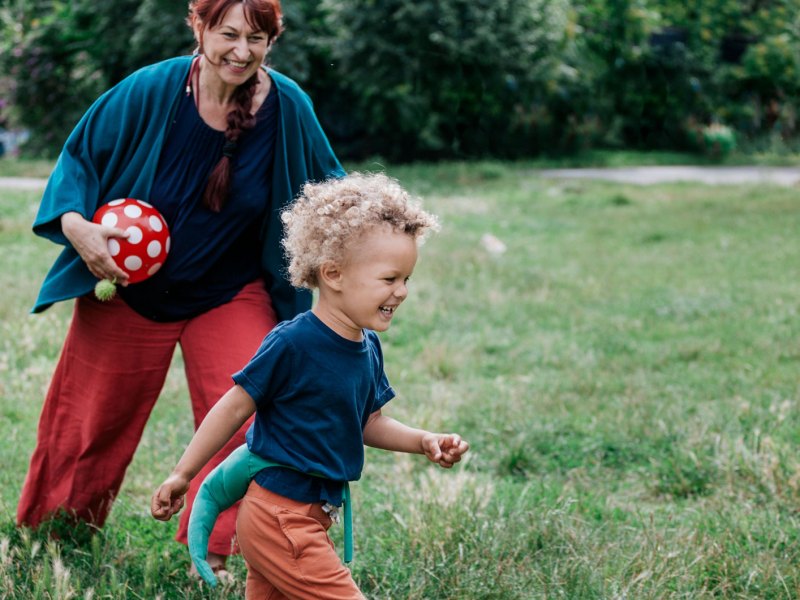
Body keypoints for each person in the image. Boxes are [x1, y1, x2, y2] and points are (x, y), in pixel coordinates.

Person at [17, 0, 344, 579]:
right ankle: (54, 535)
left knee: (250, 415)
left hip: (229, 290)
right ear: (198, 28)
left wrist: (371, 232)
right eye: (228, 34)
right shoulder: (151, 89)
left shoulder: (288, 106)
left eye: (258, 38)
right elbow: (78, 160)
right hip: (131, 290)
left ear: (272, 42)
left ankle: (218, 549)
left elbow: (331, 190)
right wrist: (77, 227)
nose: (242, 51)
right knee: (90, 421)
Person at [150, 173, 470, 598]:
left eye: (407, 279)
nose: (403, 292)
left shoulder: (366, 345)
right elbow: (233, 407)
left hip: (308, 515)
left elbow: (368, 422)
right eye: (390, 279)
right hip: (282, 518)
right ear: (334, 274)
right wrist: (182, 473)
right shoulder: (293, 343)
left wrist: (424, 440)